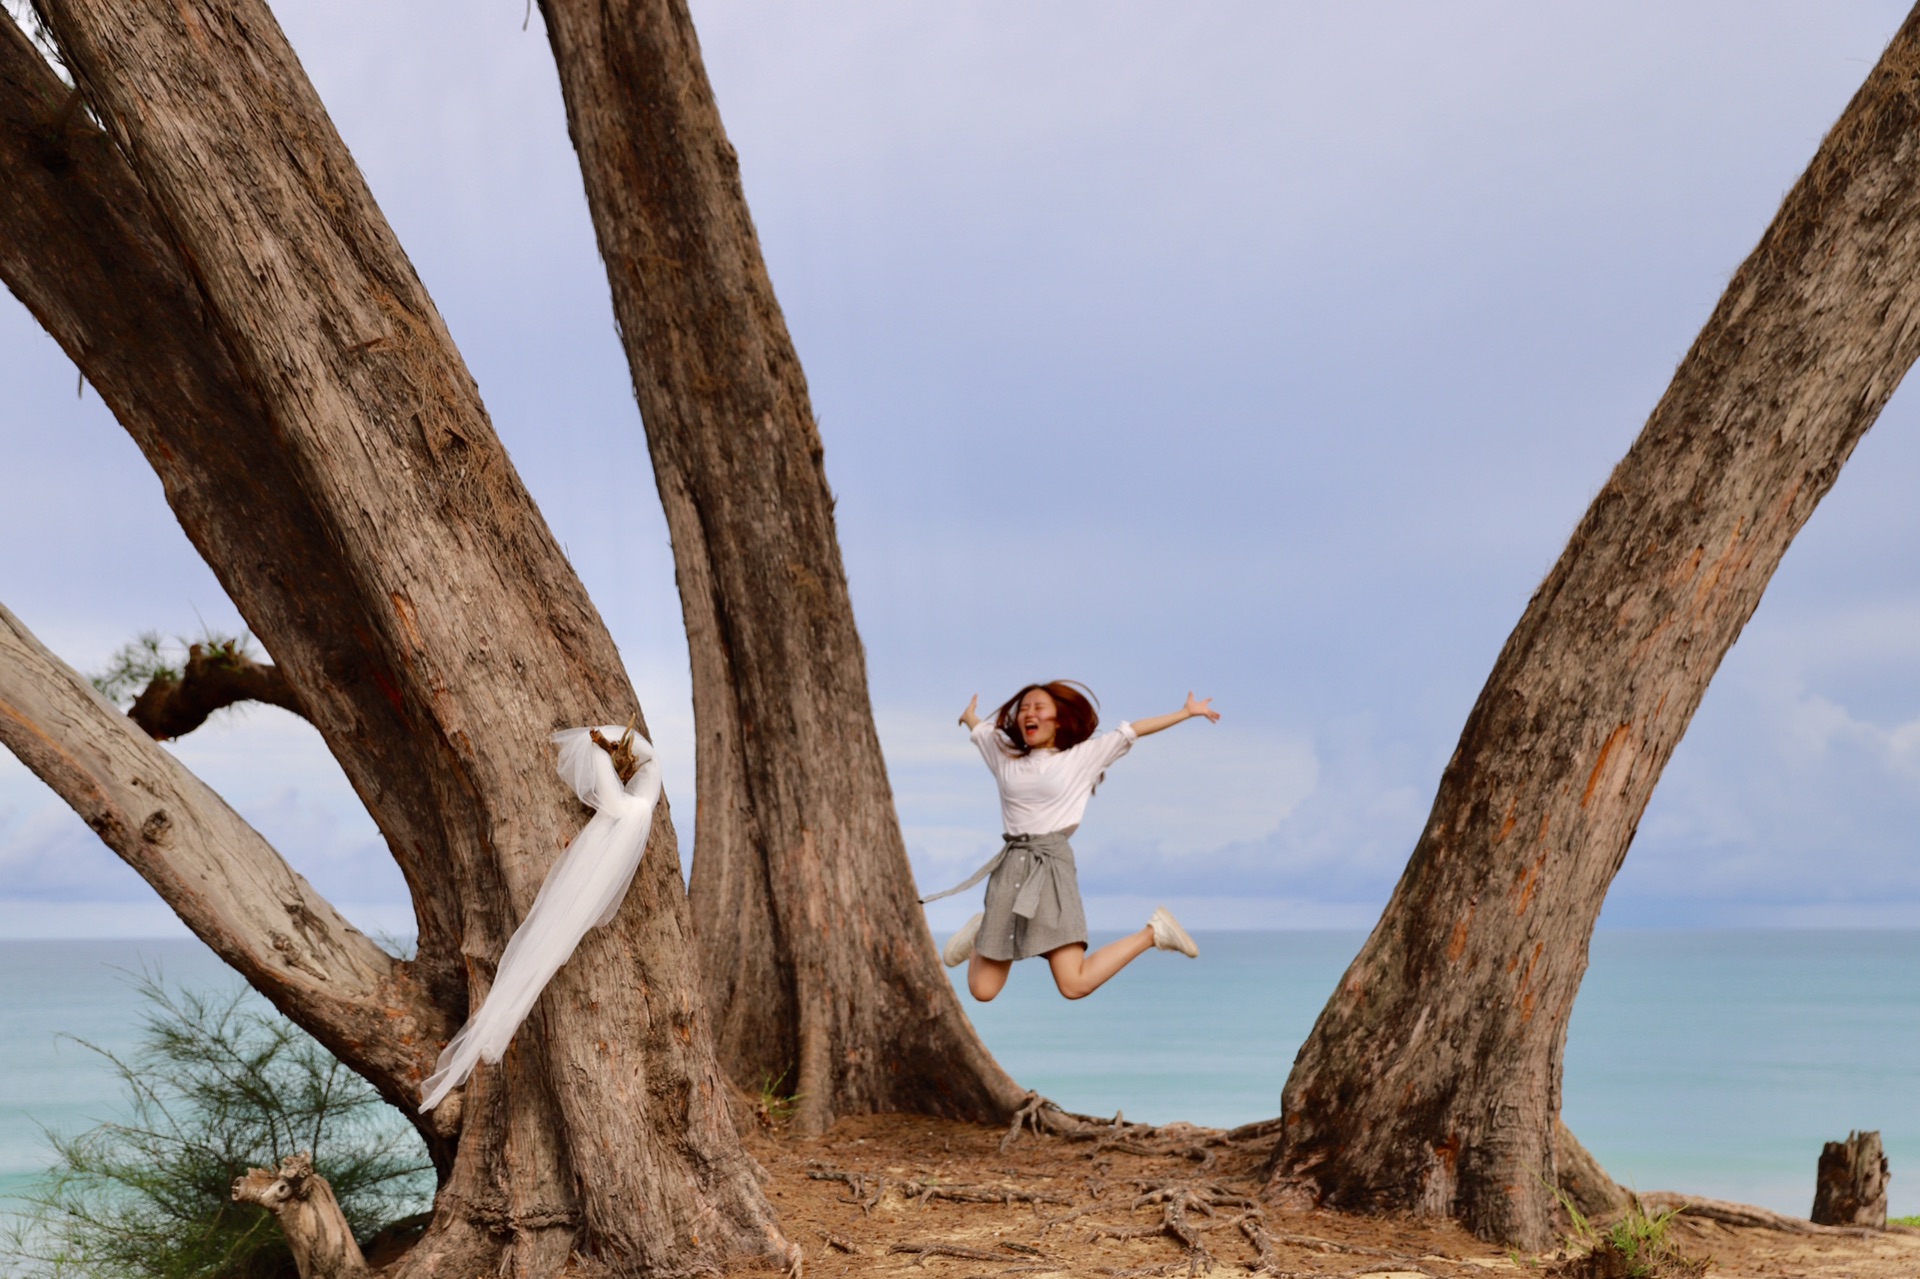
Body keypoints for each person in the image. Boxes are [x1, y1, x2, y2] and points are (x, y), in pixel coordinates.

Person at [923, 680, 1220, 1002]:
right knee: (983, 991)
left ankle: (1154, 933)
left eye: (1038, 707)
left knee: (1074, 985)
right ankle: (982, 931)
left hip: (1050, 867)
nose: (1028, 713)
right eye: (1023, 709)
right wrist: (969, 716)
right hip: (1011, 866)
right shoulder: (1004, 755)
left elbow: (1133, 730)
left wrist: (1186, 712)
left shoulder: (1081, 758)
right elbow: (980, 730)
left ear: (1059, 719)